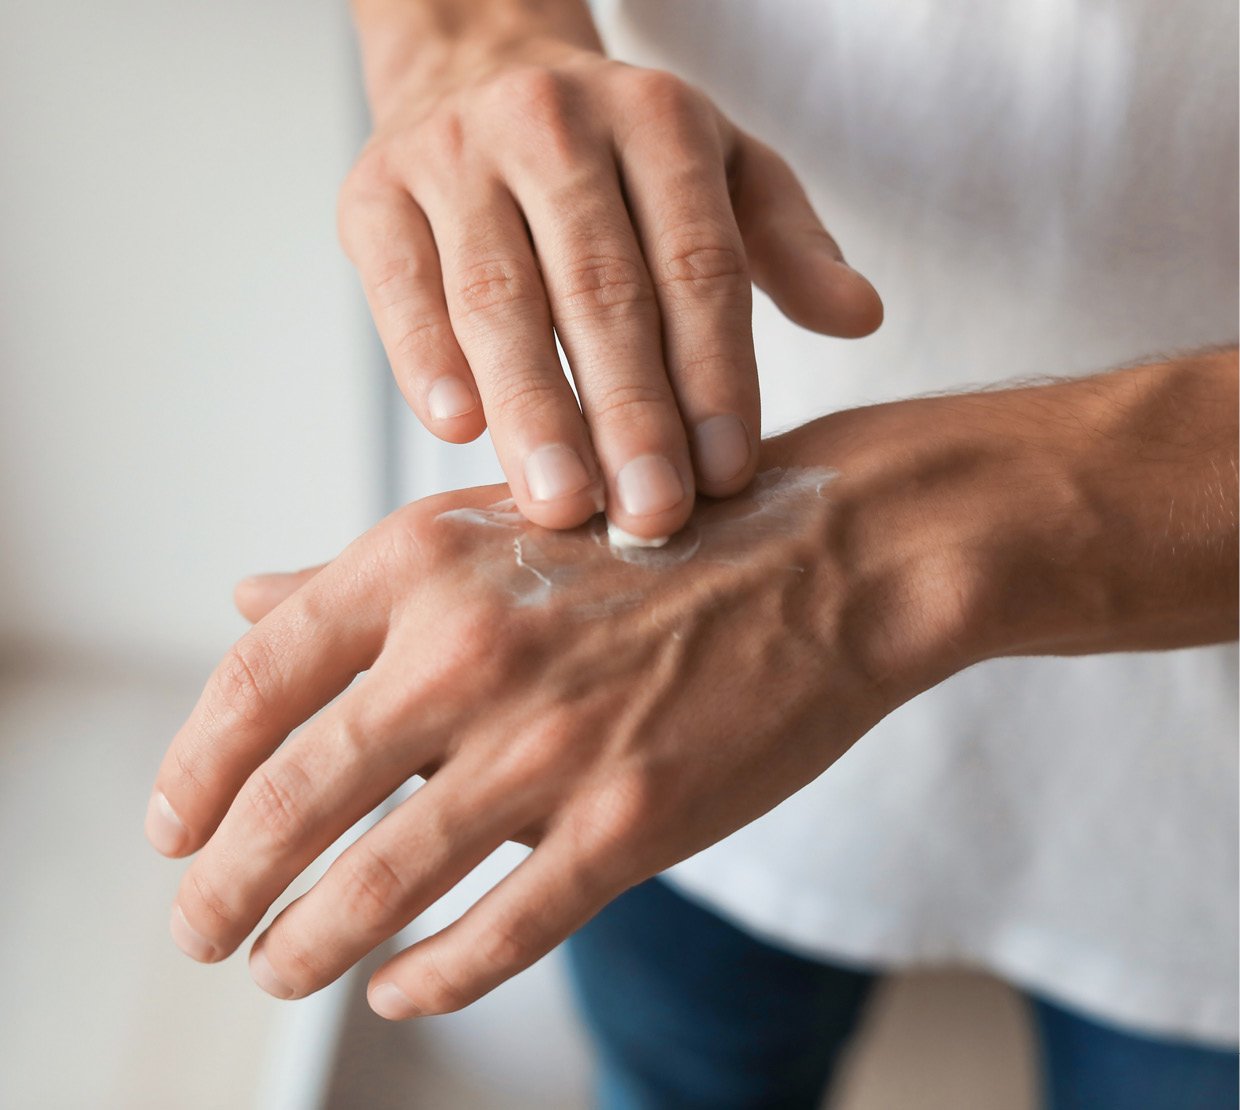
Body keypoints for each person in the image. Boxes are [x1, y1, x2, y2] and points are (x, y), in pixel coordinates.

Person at [144, 1, 1239, 1106]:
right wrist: (468, 41)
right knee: (678, 1066)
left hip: (1200, 802)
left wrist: (874, 554)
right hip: (626, 688)